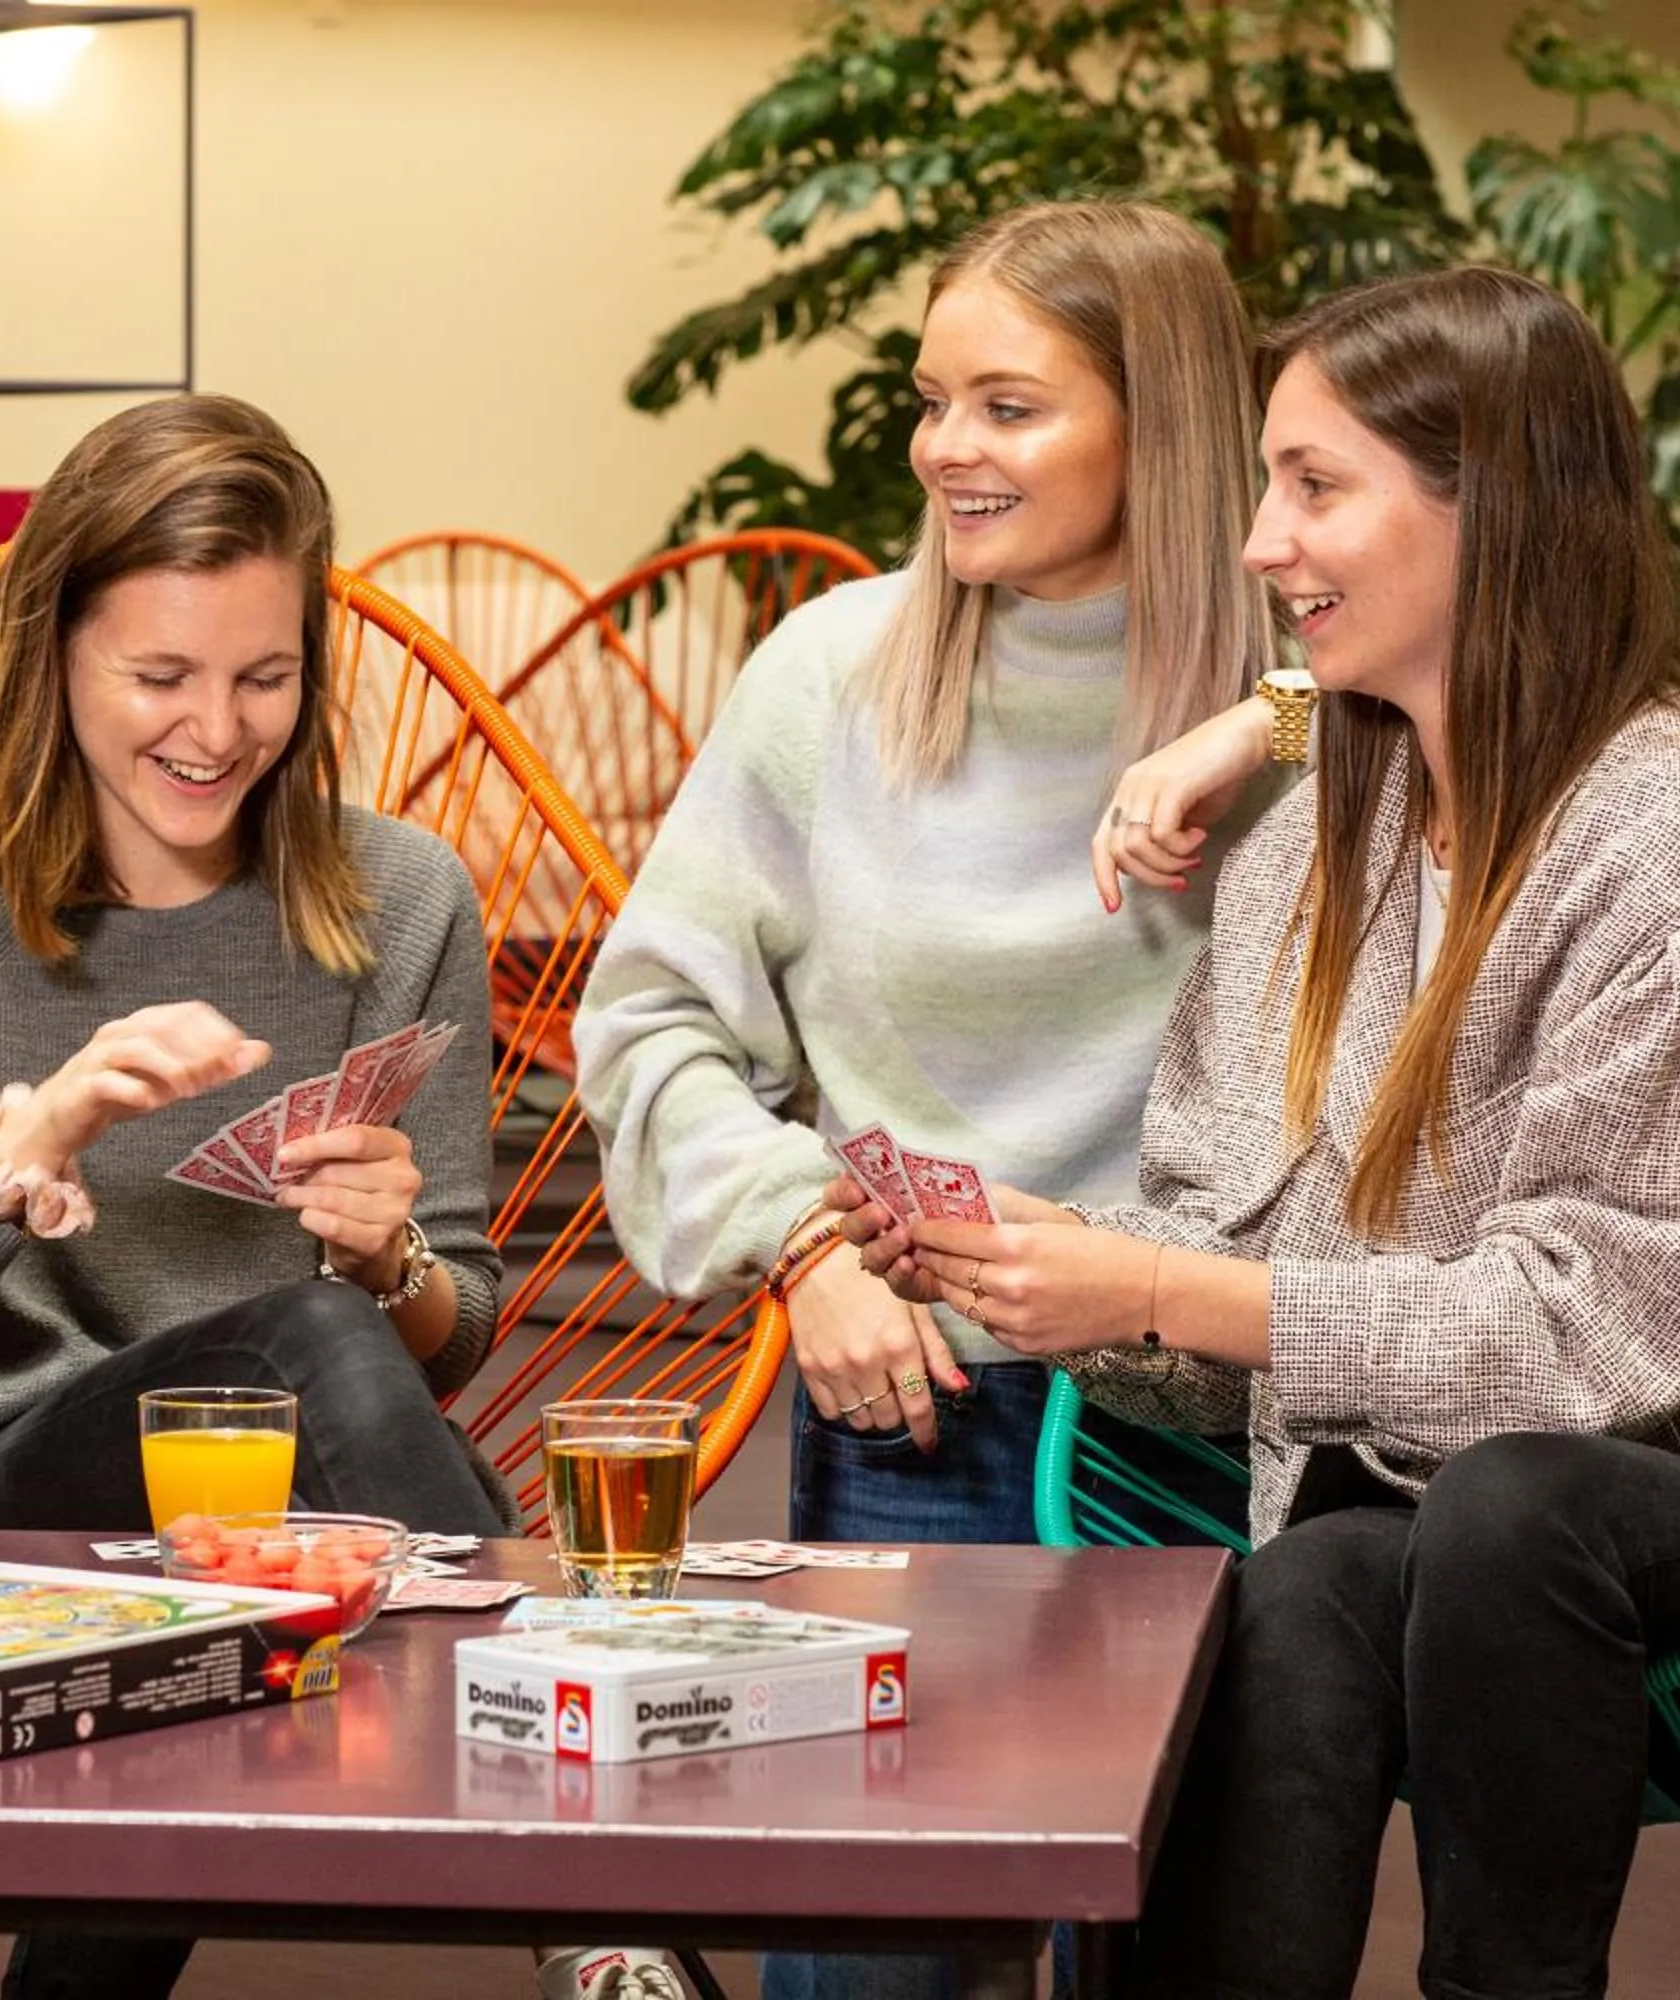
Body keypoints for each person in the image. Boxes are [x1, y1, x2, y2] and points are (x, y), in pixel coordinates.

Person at [842, 265, 1680, 1999]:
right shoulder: (1308, 856)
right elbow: (1243, 1327)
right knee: (1298, 1588)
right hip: (1428, 1532)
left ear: (1497, 510)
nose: (1259, 542)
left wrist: (1167, 1290)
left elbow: (1593, 1343)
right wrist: (1059, 1278)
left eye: (1315, 486)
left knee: (1508, 1507)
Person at [572, 200, 1279, 2000]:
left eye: (1008, 407)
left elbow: (1535, 620)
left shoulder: (1321, 698)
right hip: (926, 1395)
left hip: (1229, 1412)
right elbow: (649, 1023)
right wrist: (803, 1244)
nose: (944, 447)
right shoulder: (831, 672)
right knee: (871, 1977)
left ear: (1164, 427)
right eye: (930, 399)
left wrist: (1272, 719)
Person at [0, 392, 510, 1999]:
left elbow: (451, 1335)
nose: (218, 730)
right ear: (54, 657)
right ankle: (587, 1871)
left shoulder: (404, 899)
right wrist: (20, 1150)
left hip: (301, 1507)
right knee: (314, 1362)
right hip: (4, 1508)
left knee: (317, 1370)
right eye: (160, 676)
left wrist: (389, 1261)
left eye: (264, 677)